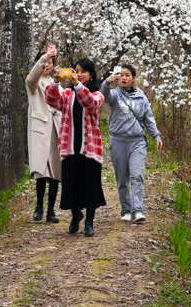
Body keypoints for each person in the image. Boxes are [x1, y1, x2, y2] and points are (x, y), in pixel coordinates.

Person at [44, 56, 106, 236]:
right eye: (76, 71)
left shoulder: (97, 94)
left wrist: (78, 85)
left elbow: (90, 103)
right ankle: (75, 216)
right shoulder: (67, 94)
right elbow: (51, 100)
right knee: (72, 185)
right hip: (69, 147)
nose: (78, 74)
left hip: (90, 148)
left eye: (82, 72)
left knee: (90, 185)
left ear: (91, 75)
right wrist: (55, 83)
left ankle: (89, 222)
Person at [101, 64, 163, 224]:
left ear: (133, 78)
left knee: (137, 175)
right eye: (120, 75)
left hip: (137, 142)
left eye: (127, 75)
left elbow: (148, 117)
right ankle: (126, 209)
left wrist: (156, 135)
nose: (123, 78)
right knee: (122, 179)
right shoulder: (114, 95)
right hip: (118, 141)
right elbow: (103, 95)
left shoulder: (142, 97)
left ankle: (138, 210)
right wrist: (107, 81)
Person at [27, 47, 62, 222]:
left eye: (50, 62)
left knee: (56, 171)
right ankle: (39, 207)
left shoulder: (57, 83)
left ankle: (51, 211)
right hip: (41, 129)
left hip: (56, 130)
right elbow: (30, 78)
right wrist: (44, 57)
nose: (47, 65)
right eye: (45, 63)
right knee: (42, 171)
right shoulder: (34, 84)